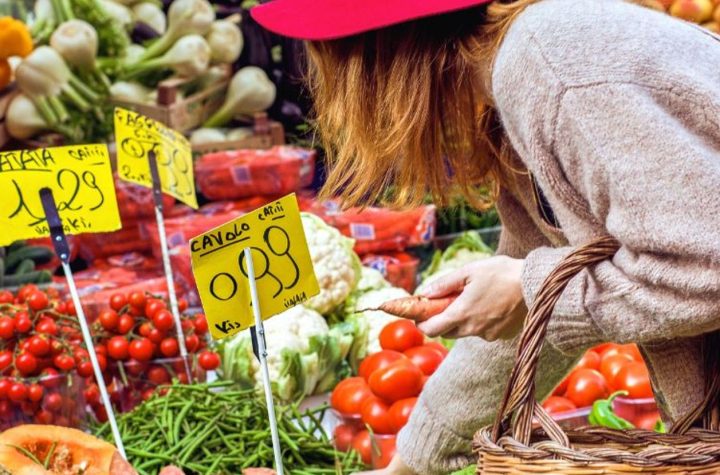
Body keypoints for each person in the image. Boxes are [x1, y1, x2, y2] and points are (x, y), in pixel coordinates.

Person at [251, 0, 720, 473]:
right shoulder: (508, 91)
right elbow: (514, 328)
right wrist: (411, 463)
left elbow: (706, 265)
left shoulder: (544, 59)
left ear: (369, 55)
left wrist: (528, 288)